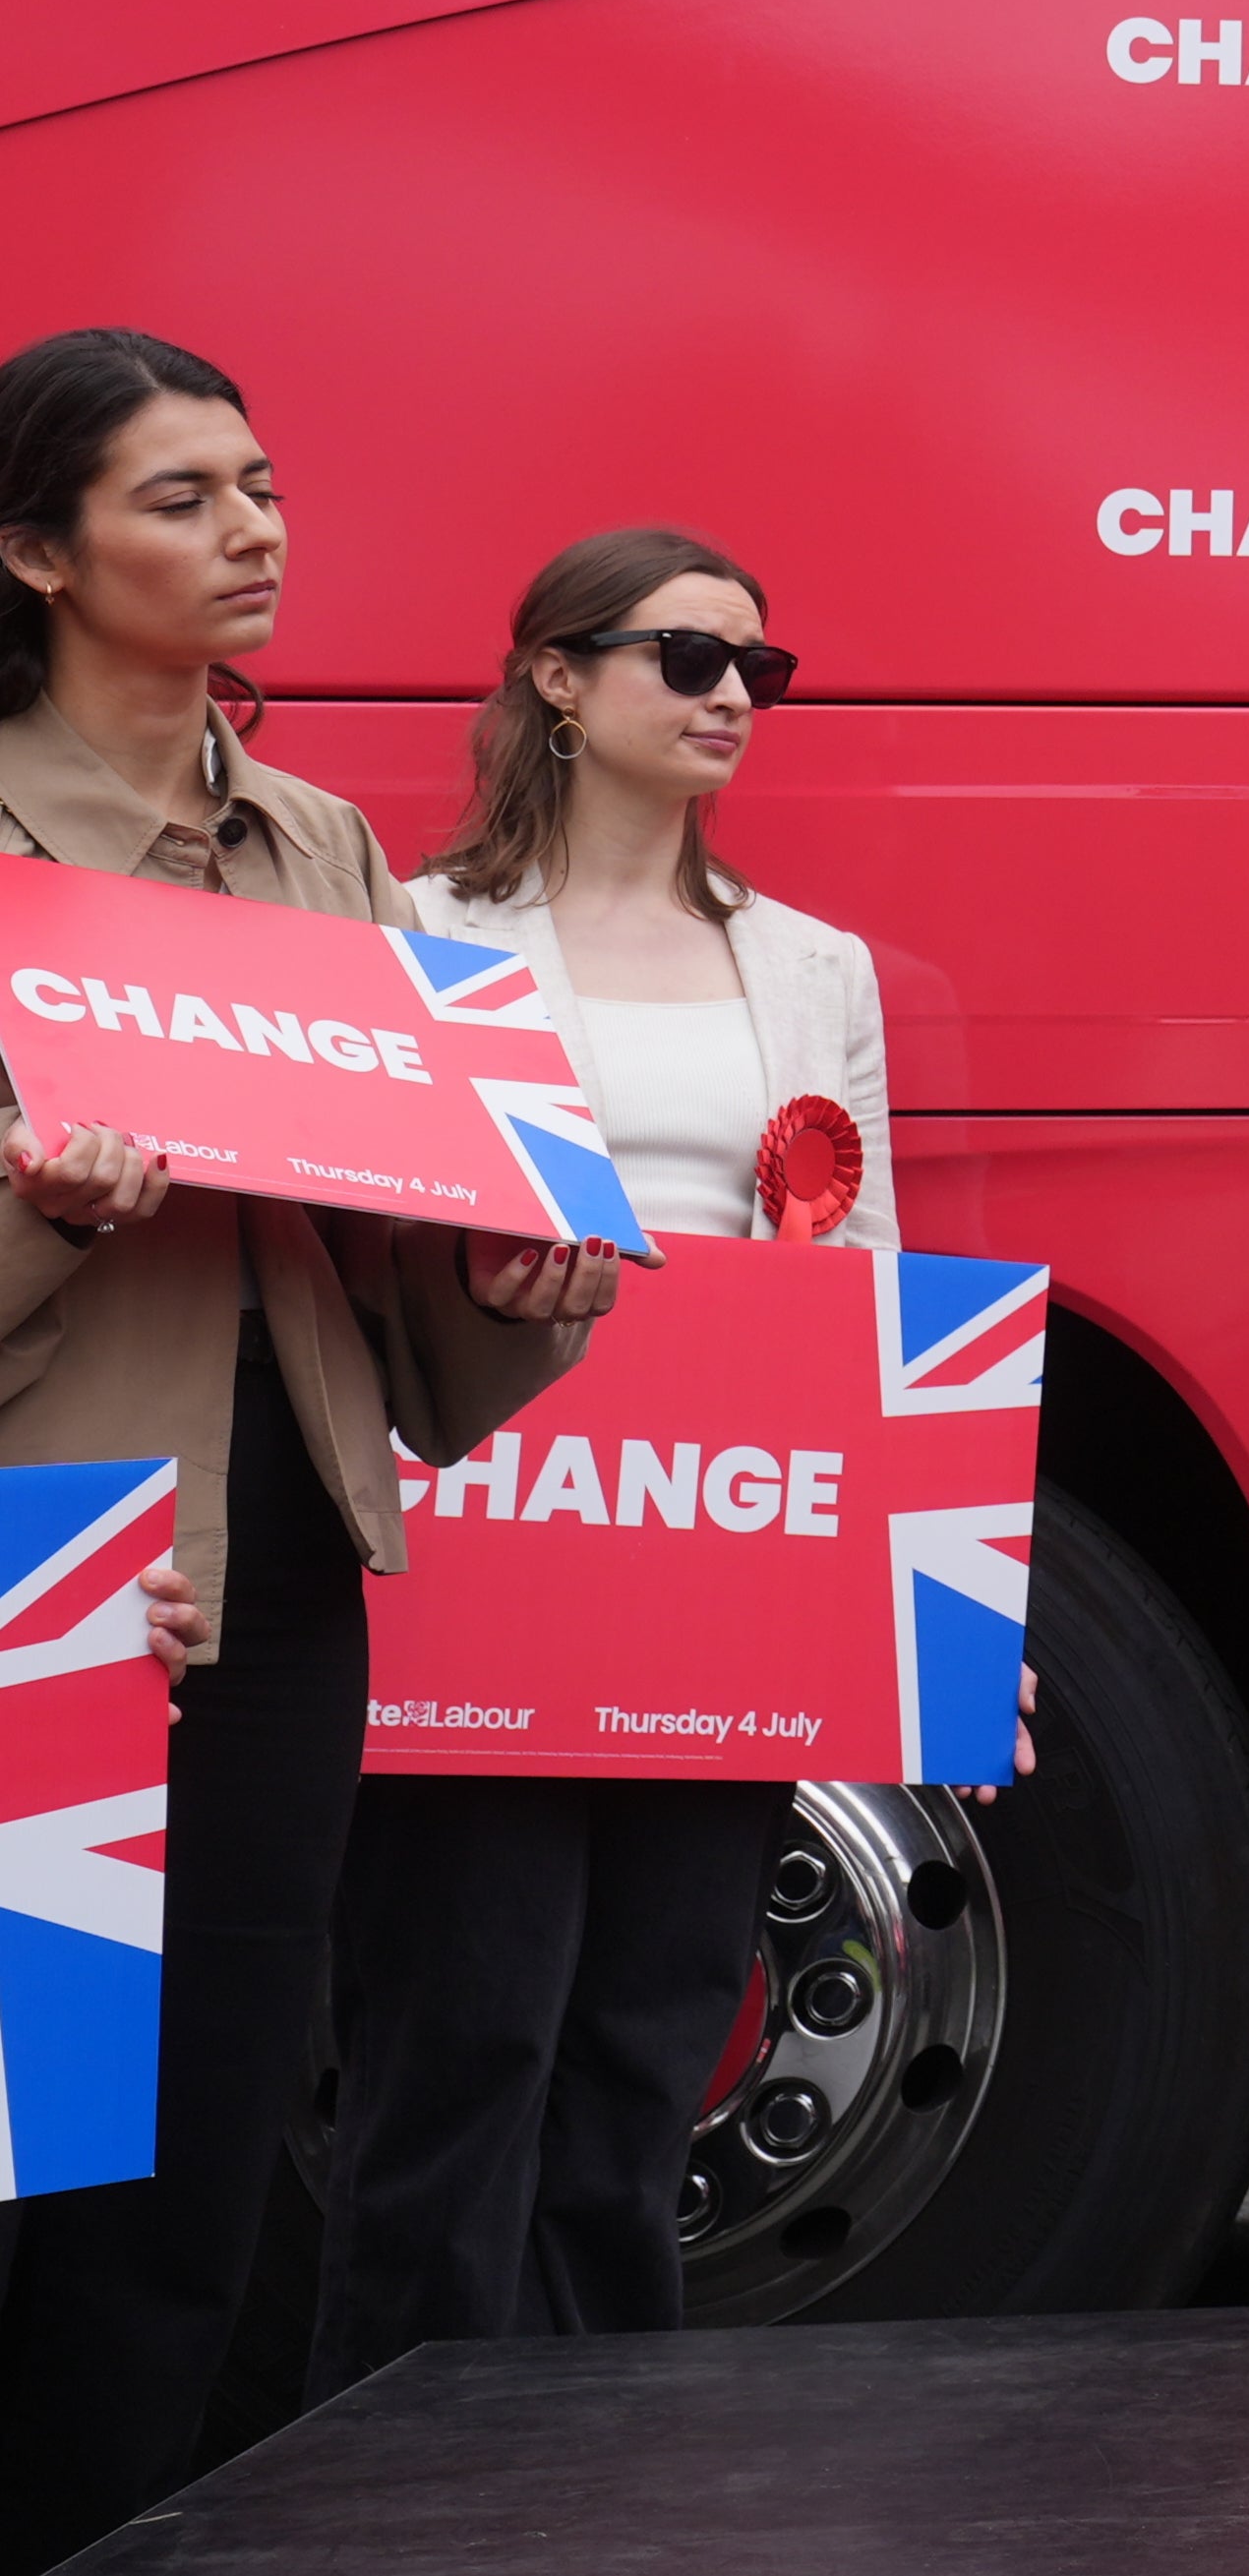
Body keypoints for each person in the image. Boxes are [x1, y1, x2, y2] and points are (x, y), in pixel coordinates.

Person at [0, 331, 609, 2576]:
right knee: (24, 2169)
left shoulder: (324, 838)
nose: (252, 528)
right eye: (181, 498)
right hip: (38, 1588)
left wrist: (514, 1286)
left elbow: (396, 1297)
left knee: (200, 2181)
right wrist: (41, 1204)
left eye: (259, 483)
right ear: (35, 550)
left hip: (274, 1590)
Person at [309, 531, 894, 2397]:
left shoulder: (814, 966)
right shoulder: (413, 929)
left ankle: (605, 2461)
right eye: (684, 655)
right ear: (555, 677)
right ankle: (395, 2477)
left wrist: (912, 1596)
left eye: (758, 667)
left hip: (712, 1563)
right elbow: (353, 1238)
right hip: (482, 1539)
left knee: (651, 2039)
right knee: (457, 2034)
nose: (732, 693)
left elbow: (859, 1286)